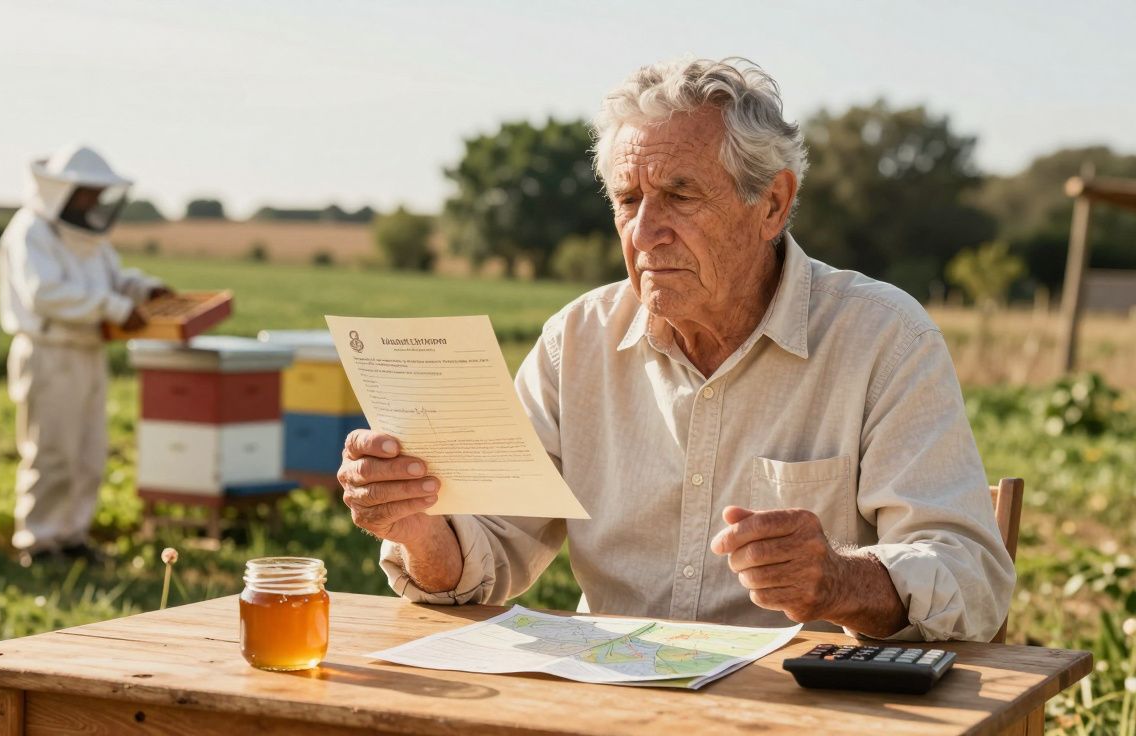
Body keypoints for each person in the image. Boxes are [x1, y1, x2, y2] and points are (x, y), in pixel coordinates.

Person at [337, 58, 1015, 641]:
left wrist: (838, 580)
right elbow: (494, 549)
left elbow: (971, 580)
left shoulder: (884, 339)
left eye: (680, 195)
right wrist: (420, 528)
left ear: (773, 205)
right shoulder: (573, 343)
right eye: (629, 199)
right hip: (612, 708)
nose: (646, 230)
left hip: (802, 716)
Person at [0, 144, 170, 565]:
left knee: (88, 454)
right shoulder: (30, 232)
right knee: (51, 452)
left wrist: (142, 289)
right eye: (87, 192)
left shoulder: (88, 236)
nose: (94, 201)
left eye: (98, 193)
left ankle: (72, 536)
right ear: (63, 191)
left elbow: (112, 278)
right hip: (49, 352)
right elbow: (45, 293)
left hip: (88, 351)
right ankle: (37, 543)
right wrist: (115, 307)